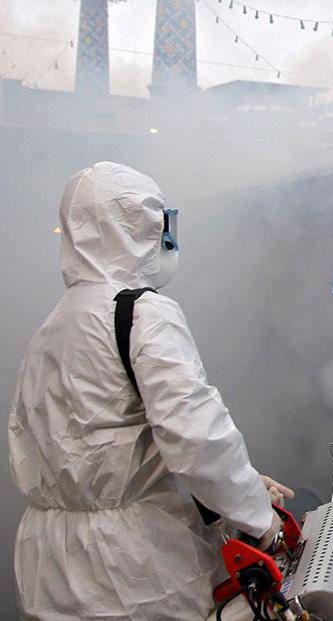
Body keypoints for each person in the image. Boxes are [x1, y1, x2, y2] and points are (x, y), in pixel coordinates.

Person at [8, 162, 292, 620]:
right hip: (133, 567)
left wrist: (237, 486)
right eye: (160, 225)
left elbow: (97, 446)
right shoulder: (142, 313)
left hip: (51, 560)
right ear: (137, 228)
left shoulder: (53, 327)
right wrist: (259, 517)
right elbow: (197, 437)